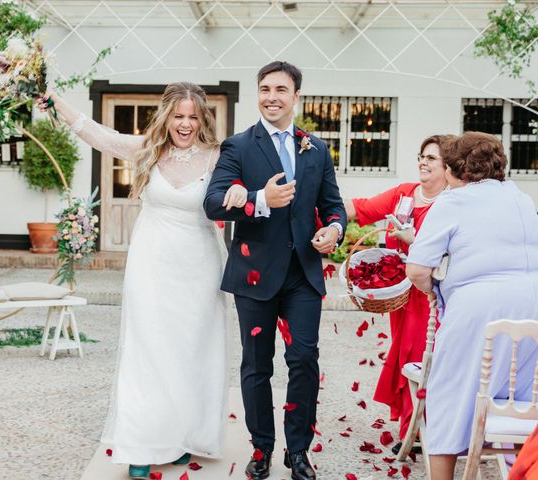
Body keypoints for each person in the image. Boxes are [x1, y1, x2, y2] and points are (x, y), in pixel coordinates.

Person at [39, 82, 240, 479]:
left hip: (199, 265)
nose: (184, 124)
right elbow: (96, 133)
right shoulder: (149, 149)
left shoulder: (219, 157)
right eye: (177, 116)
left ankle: (182, 436)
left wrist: (237, 190)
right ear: (166, 116)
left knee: (191, 351)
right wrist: (57, 102)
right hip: (152, 263)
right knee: (148, 349)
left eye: (192, 116)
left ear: (202, 119)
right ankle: (143, 442)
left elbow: (242, 188)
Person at [204, 61, 346, 480]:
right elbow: (213, 202)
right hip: (255, 273)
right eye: (265, 89)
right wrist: (259, 198)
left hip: (303, 273)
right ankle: (262, 448)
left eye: (280, 89)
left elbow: (333, 206)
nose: (271, 97)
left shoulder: (316, 149)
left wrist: (334, 229)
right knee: (256, 365)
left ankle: (298, 451)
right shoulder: (238, 146)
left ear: (296, 96)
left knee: (304, 358)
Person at [406, 131, 538, 479]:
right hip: (533, 305)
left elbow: (417, 269)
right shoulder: (520, 198)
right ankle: (522, 469)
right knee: (521, 396)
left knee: (448, 392)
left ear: (454, 169)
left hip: (478, 307)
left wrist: (435, 291)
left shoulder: (453, 201)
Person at [345, 134, 452, 453]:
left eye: (431, 158)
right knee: (404, 354)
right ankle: (412, 426)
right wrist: (324, 212)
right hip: (401, 295)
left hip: (432, 295)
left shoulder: (451, 202)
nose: (423, 161)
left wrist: (415, 237)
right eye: (422, 155)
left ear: (448, 166)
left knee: (420, 358)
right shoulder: (404, 193)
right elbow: (361, 208)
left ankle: (415, 431)